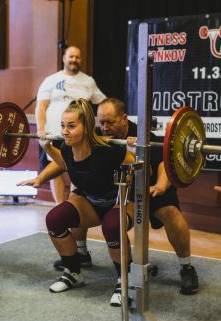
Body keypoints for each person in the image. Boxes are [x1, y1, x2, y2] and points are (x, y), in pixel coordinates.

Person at [52, 97, 198, 297]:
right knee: (79, 195)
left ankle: (186, 267)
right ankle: (80, 255)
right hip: (118, 187)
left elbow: (163, 163)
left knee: (170, 212)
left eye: (109, 122)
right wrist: (40, 176)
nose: (104, 127)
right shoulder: (94, 135)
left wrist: (161, 186)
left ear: (123, 119)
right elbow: (67, 160)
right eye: (100, 122)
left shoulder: (143, 134)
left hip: (150, 184)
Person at [20, 98, 135, 306]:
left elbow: (140, 167)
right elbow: (65, 164)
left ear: (87, 127)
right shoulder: (66, 148)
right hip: (91, 202)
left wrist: (133, 165)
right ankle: (73, 272)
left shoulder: (108, 149)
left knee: (112, 225)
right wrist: (45, 159)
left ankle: (125, 281)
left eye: (72, 126)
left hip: (120, 200)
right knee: (55, 219)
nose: (65, 131)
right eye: (63, 126)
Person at [35, 45, 106, 203]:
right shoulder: (51, 80)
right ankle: (59, 205)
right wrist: (40, 128)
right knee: (57, 170)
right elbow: (41, 106)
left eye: (77, 57)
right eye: (71, 56)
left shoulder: (88, 81)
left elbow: (103, 103)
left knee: (79, 168)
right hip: (55, 133)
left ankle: (75, 203)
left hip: (81, 135)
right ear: (64, 58)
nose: (74, 59)